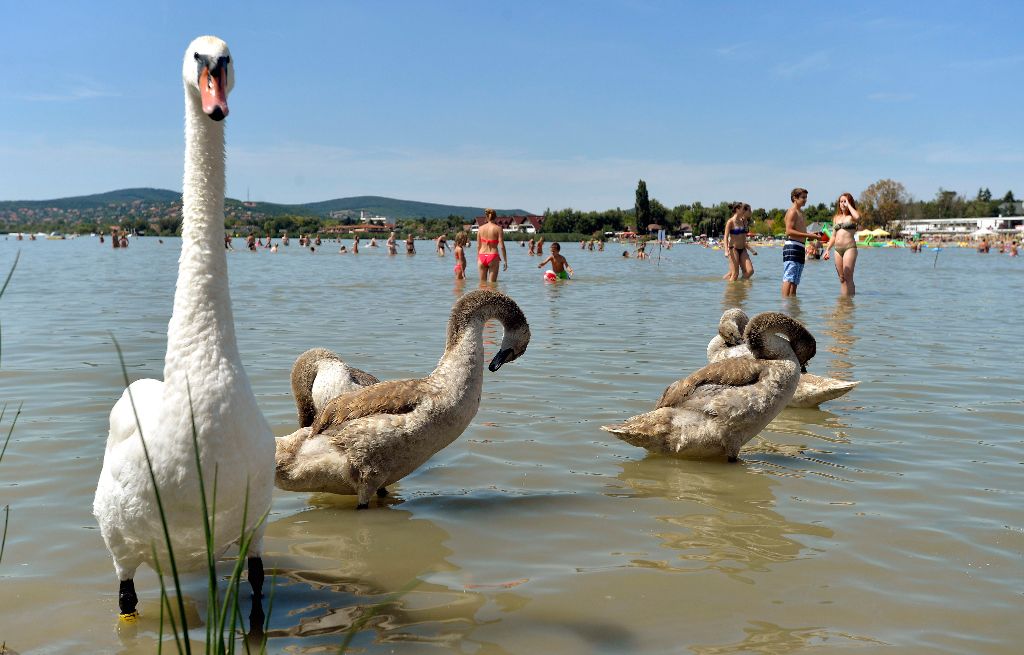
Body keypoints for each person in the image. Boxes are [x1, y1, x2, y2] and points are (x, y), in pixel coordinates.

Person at [781, 187, 826, 297]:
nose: (805, 200)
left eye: (806, 197)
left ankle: (792, 306)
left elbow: (801, 231)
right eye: (803, 197)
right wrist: (808, 235)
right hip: (792, 246)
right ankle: (784, 306)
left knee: (795, 279)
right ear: (794, 198)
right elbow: (789, 231)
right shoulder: (792, 211)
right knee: (789, 277)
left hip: (800, 247)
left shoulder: (801, 212)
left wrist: (813, 235)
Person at [822, 192, 860, 296]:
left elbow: (858, 217)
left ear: (849, 202)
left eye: (845, 201)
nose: (842, 204)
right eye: (841, 201)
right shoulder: (836, 218)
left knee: (848, 277)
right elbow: (833, 236)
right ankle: (843, 302)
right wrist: (827, 250)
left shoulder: (852, 216)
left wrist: (849, 205)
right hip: (837, 250)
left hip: (850, 248)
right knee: (842, 278)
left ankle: (850, 303)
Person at [477, 208, 507, 282]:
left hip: (481, 256)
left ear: (486, 217)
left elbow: (478, 246)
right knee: (492, 286)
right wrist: (505, 261)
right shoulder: (498, 229)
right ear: (495, 217)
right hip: (493, 256)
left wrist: (478, 257)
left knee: (482, 285)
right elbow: (502, 246)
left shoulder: (480, 228)